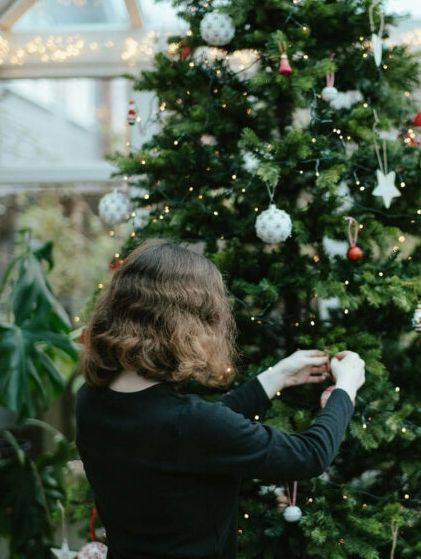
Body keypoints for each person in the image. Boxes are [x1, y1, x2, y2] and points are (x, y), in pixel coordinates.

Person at [75, 240, 366, 559]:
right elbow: (308, 455)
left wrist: (275, 378)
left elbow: (186, 437)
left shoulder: (91, 401)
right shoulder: (188, 424)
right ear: (188, 325)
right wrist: (347, 388)